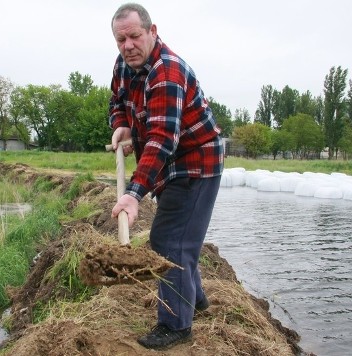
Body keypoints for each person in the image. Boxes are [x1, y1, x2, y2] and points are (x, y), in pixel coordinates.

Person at [109, 3, 224, 351]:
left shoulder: (167, 72)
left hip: (195, 162)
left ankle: (176, 326)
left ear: (152, 31)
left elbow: (162, 140)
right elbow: (117, 100)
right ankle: (196, 300)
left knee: (169, 241)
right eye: (120, 39)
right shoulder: (125, 65)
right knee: (181, 239)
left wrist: (132, 194)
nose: (127, 45)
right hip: (167, 163)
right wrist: (122, 125)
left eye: (134, 36)